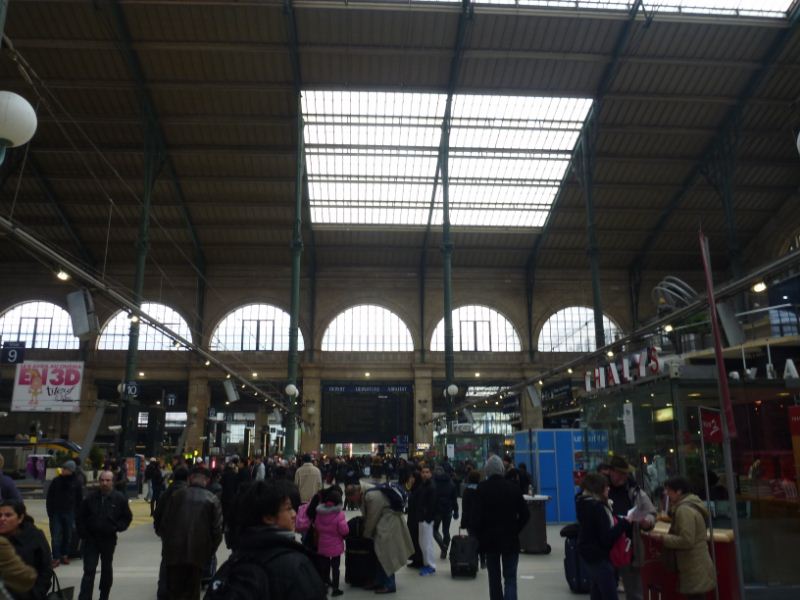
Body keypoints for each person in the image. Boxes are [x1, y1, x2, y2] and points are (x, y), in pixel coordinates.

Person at [231, 479, 326, 599]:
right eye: (289, 508)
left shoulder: (234, 561)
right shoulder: (296, 565)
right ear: (269, 517)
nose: (294, 514)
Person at [158, 466, 223, 600]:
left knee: (173, 591)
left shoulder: (176, 495)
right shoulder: (212, 499)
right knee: (192, 591)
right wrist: (209, 552)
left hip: (173, 553)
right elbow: (217, 532)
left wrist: (167, 544)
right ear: (207, 480)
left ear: (190, 478)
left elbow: (164, 523)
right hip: (197, 554)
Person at [475, 455, 529, 600]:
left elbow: (476, 517)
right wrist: (515, 529)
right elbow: (525, 514)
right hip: (510, 539)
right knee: (510, 578)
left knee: (494, 579)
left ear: (487, 471)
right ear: (501, 470)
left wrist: (480, 535)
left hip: (489, 541)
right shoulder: (513, 488)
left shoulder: (481, 489)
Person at [346, 482, 414, 593]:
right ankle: (378, 581)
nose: (353, 502)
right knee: (379, 554)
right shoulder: (365, 491)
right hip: (385, 521)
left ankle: (389, 585)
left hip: (389, 523)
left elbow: (372, 518)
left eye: (352, 499)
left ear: (356, 493)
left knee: (385, 554)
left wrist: (366, 535)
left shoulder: (371, 496)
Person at [604, 455, 656, 600]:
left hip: (629, 548)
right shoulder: (601, 488)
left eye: (625, 473)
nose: (624, 476)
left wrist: (648, 522)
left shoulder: (635, 491)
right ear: (611, 472)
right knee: (605, 591)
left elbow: (651, 512)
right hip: (606, 549)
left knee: (634, 592)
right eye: (620, 473)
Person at [75, 470, 133, 600]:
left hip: (108, 539)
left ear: (112, 482)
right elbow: (80, 517)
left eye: (107, 480)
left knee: (106, 570)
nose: (104, 483)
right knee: (89, 570)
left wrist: (117, 527)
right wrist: (83, 533)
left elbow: (127, 517)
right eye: (102, 480)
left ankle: (104, 595)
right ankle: (85, 597)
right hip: (91, 539)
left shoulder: (119, 498)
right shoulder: (90, 498)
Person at [657, 476, 716, 600]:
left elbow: (687, 540)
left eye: (669, 490)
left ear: (679, 491)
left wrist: (664, 539)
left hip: (693, 566)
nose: (667, 493)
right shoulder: (690, 505)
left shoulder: (684, 510)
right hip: (696, 565)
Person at [576, 472, 630, 600]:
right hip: (599, 555)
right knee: (608, 592)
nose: (608, 488)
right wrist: (625, 523)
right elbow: (606, 537)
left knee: (597, 591)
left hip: (588, 553)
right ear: (598, 489)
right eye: (605, 486)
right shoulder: (598, 507)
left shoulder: (583, 502)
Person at [297, 487, 349, 596]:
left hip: (323, 544)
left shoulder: (319, 513)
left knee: (324, 566)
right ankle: (335, 588)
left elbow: (317, 527)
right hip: (336, 546)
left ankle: (324, 583)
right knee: (336, 567)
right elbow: (344, 530)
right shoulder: (339, 515)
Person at [0, 500, 52, 600]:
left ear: (20, 518)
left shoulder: (34, 536)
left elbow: (45, 568)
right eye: (0, 515)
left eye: (8, 515)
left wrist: (37, 593)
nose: (2, 519)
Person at [45, 459, 83, 568]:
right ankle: (56, 557)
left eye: (65, 468)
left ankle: (65, 555)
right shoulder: (56, 481)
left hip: (70, 513)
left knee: (68, 535)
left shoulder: (76, 482)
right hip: (56, 512)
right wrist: (50, 512)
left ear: (71, 470)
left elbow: (79, 499)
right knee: (56, 535)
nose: (62, 470)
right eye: (63, 468)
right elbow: (50, 497)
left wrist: (77, 514)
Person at [460, 469, 485, 569]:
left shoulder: (466, 491)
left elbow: (465, 508)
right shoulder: (482, 489)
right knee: (481, 540)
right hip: (481, 520)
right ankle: (483, 561)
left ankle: (474, 560)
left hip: (470, 520)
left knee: (472, 540)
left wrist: (463, 521)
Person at [432, 466, 458, 560]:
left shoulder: (433, 482)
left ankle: (443, 546)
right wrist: (456, 511)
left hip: (437, 510)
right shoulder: (450, 483)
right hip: (448, 510)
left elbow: (432, 498)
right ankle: (444, 551)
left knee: (434, 530)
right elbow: (454, 499)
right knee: (446, 531)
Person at [416, 465, 438, 576]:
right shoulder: (423, 486)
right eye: (423, 472)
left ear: (430, 474)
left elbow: (432, 505)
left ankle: (431, 565)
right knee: (423, 543)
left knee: (427, 543)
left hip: (426, 519)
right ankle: (427, 564)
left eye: (427, 472)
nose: (425, 474)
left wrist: (427, 518)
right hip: (422, 518)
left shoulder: (431, 487)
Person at [405, 470, 423, 568]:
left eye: (412, 478)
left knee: (416, 540)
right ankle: (415, 559)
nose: (410, 479)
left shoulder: (418, 490)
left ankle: (419, 560)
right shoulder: (414, 488)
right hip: (412, 518)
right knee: (413, 540)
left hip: (416, 519)